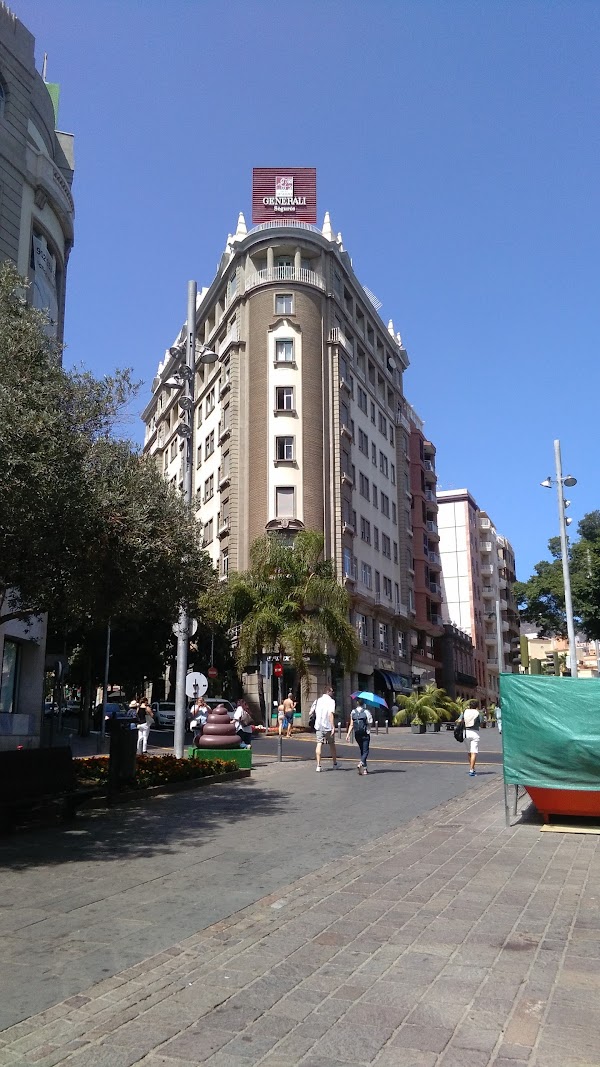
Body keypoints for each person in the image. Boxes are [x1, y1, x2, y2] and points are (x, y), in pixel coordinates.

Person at [314, 685, 339, 772]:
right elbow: (330, 714)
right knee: (332, 744)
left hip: (318, 725)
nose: (333, 693)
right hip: (327, 726)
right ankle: (335, 763)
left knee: (319, 743)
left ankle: (318, 765)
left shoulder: (318, 700)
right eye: (332, 691)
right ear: (328, 692)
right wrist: (333, 726)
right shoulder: (331, 701)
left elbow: (312, 711)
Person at [346, 700, 373, 774]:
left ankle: (365, 769)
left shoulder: (353, 712)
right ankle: (361, 763)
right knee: (366, 751)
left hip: (357, 734)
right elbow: (370, 722)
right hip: (365, 733)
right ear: (363, 704)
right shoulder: (366, 712)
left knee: (362, 750)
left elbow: (351, 724)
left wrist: (348, 734)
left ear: (357, 704)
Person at [458, 703, 481, 775]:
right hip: (474, 733)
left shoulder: (465, 711)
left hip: (466, 733)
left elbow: (459, 720)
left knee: (469, 752)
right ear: (476, 707)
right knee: (474, 752)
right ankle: (471, 770)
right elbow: (482, 721)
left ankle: (472, 768)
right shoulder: (477, 713)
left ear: (469, 706)